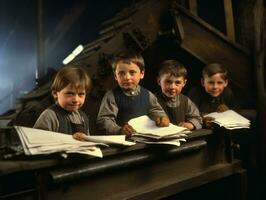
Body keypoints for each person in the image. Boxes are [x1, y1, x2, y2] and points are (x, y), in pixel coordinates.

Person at [96, 51, 170, 135]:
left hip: (146, 139)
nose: (127, 77)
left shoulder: (148, 95)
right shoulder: (111, 96)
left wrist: (162, 117)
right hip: (122, 141)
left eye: (132, 73)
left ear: (142, 74)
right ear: (115, 76)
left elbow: (156, 110)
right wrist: (118, 130)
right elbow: (104, 120)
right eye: (121, 73)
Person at [34, 66, 92, 141]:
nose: (76, 99)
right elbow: (37, 142)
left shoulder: (83, 118)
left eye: (81, 94)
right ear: (55, 93)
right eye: (70, 93)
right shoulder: (49, 116)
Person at [156, 60, 202, 130]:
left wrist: (191, 124)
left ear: (184, 83)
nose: (172, 87)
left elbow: (198, 119)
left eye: (177, 82)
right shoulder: (152, 100)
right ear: (159, 81)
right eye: (168, 82)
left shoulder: (186, 101)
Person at [188, 63, 236, 128]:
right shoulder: (194, 94)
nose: (215, 87)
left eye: (219, 83)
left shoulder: (228, 93)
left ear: (226, 83)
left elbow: (235, 112)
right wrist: (202, 120)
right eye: (211, 82)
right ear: (203, 82)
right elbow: (190, 116)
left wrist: (228, 112)